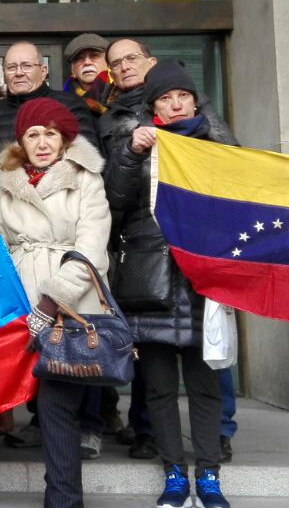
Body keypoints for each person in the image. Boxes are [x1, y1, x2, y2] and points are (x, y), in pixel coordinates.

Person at [104, 62, 234, 508]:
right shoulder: (136, 141)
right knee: (157, 387)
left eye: (182, 95)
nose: (175, 103)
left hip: (204, 278)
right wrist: (130, 154)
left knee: (205, 385)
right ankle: (174, 472)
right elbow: (115, 201)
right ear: (152, 105)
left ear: (195, 100)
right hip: (150, 279)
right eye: (165, 97)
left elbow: (244, 193)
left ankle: (210, 474)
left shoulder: (219, 141)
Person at [0, 98, 110, 508]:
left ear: (64, 138)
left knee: (57, 406)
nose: (42, 142)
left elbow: (92, 249)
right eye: (32, 134)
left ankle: (63, 500)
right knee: (32, 400)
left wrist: (51, 300)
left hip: (70, 304)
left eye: (50, 134)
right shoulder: (6, 181)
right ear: (21, 141)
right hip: (19, 304)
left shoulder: (87, 178)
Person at [0, 42, 96, 201]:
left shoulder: (69, 105)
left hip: (60, 214)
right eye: (11, 67)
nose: (18, 73)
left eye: (26, 66)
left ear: (43, 71)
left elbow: (86, 163)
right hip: (1, 216)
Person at [94, 37, 156, 160]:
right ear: (112, 75)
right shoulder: (105, 120)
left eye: (132, 58)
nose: (124, 67)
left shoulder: (180, 102)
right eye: (116, 64)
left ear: (152, 63)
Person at [62, 33, 113, 119]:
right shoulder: (63, 103)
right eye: (79, 58)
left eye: (94, 56)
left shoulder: (121, 93)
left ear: (108, 63)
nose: (87, 62)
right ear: (73, 71)